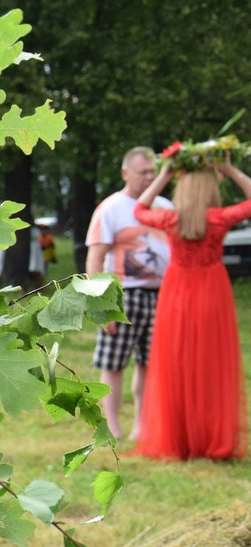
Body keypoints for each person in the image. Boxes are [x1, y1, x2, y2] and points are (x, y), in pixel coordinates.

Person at [130, 159, 250, 460]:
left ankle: (178, 437)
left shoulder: (170, 219)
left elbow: (139, 209)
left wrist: (164, 175)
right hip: (212, 291)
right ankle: (210, 437)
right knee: (211, 363)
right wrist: (231, 169)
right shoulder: (219, 218)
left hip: (177, 292)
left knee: (176, 360)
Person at [85, 147, 172, 440]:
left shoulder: (165, 206)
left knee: (150, 363)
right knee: (114, 363)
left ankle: (142, 427)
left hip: (160, 294)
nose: (149, 177)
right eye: (142, 172)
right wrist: (101, 303)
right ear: (125, 173)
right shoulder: (110, 208)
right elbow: (95, 257)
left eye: (153, 172)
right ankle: (112, 427)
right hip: (122, 295)